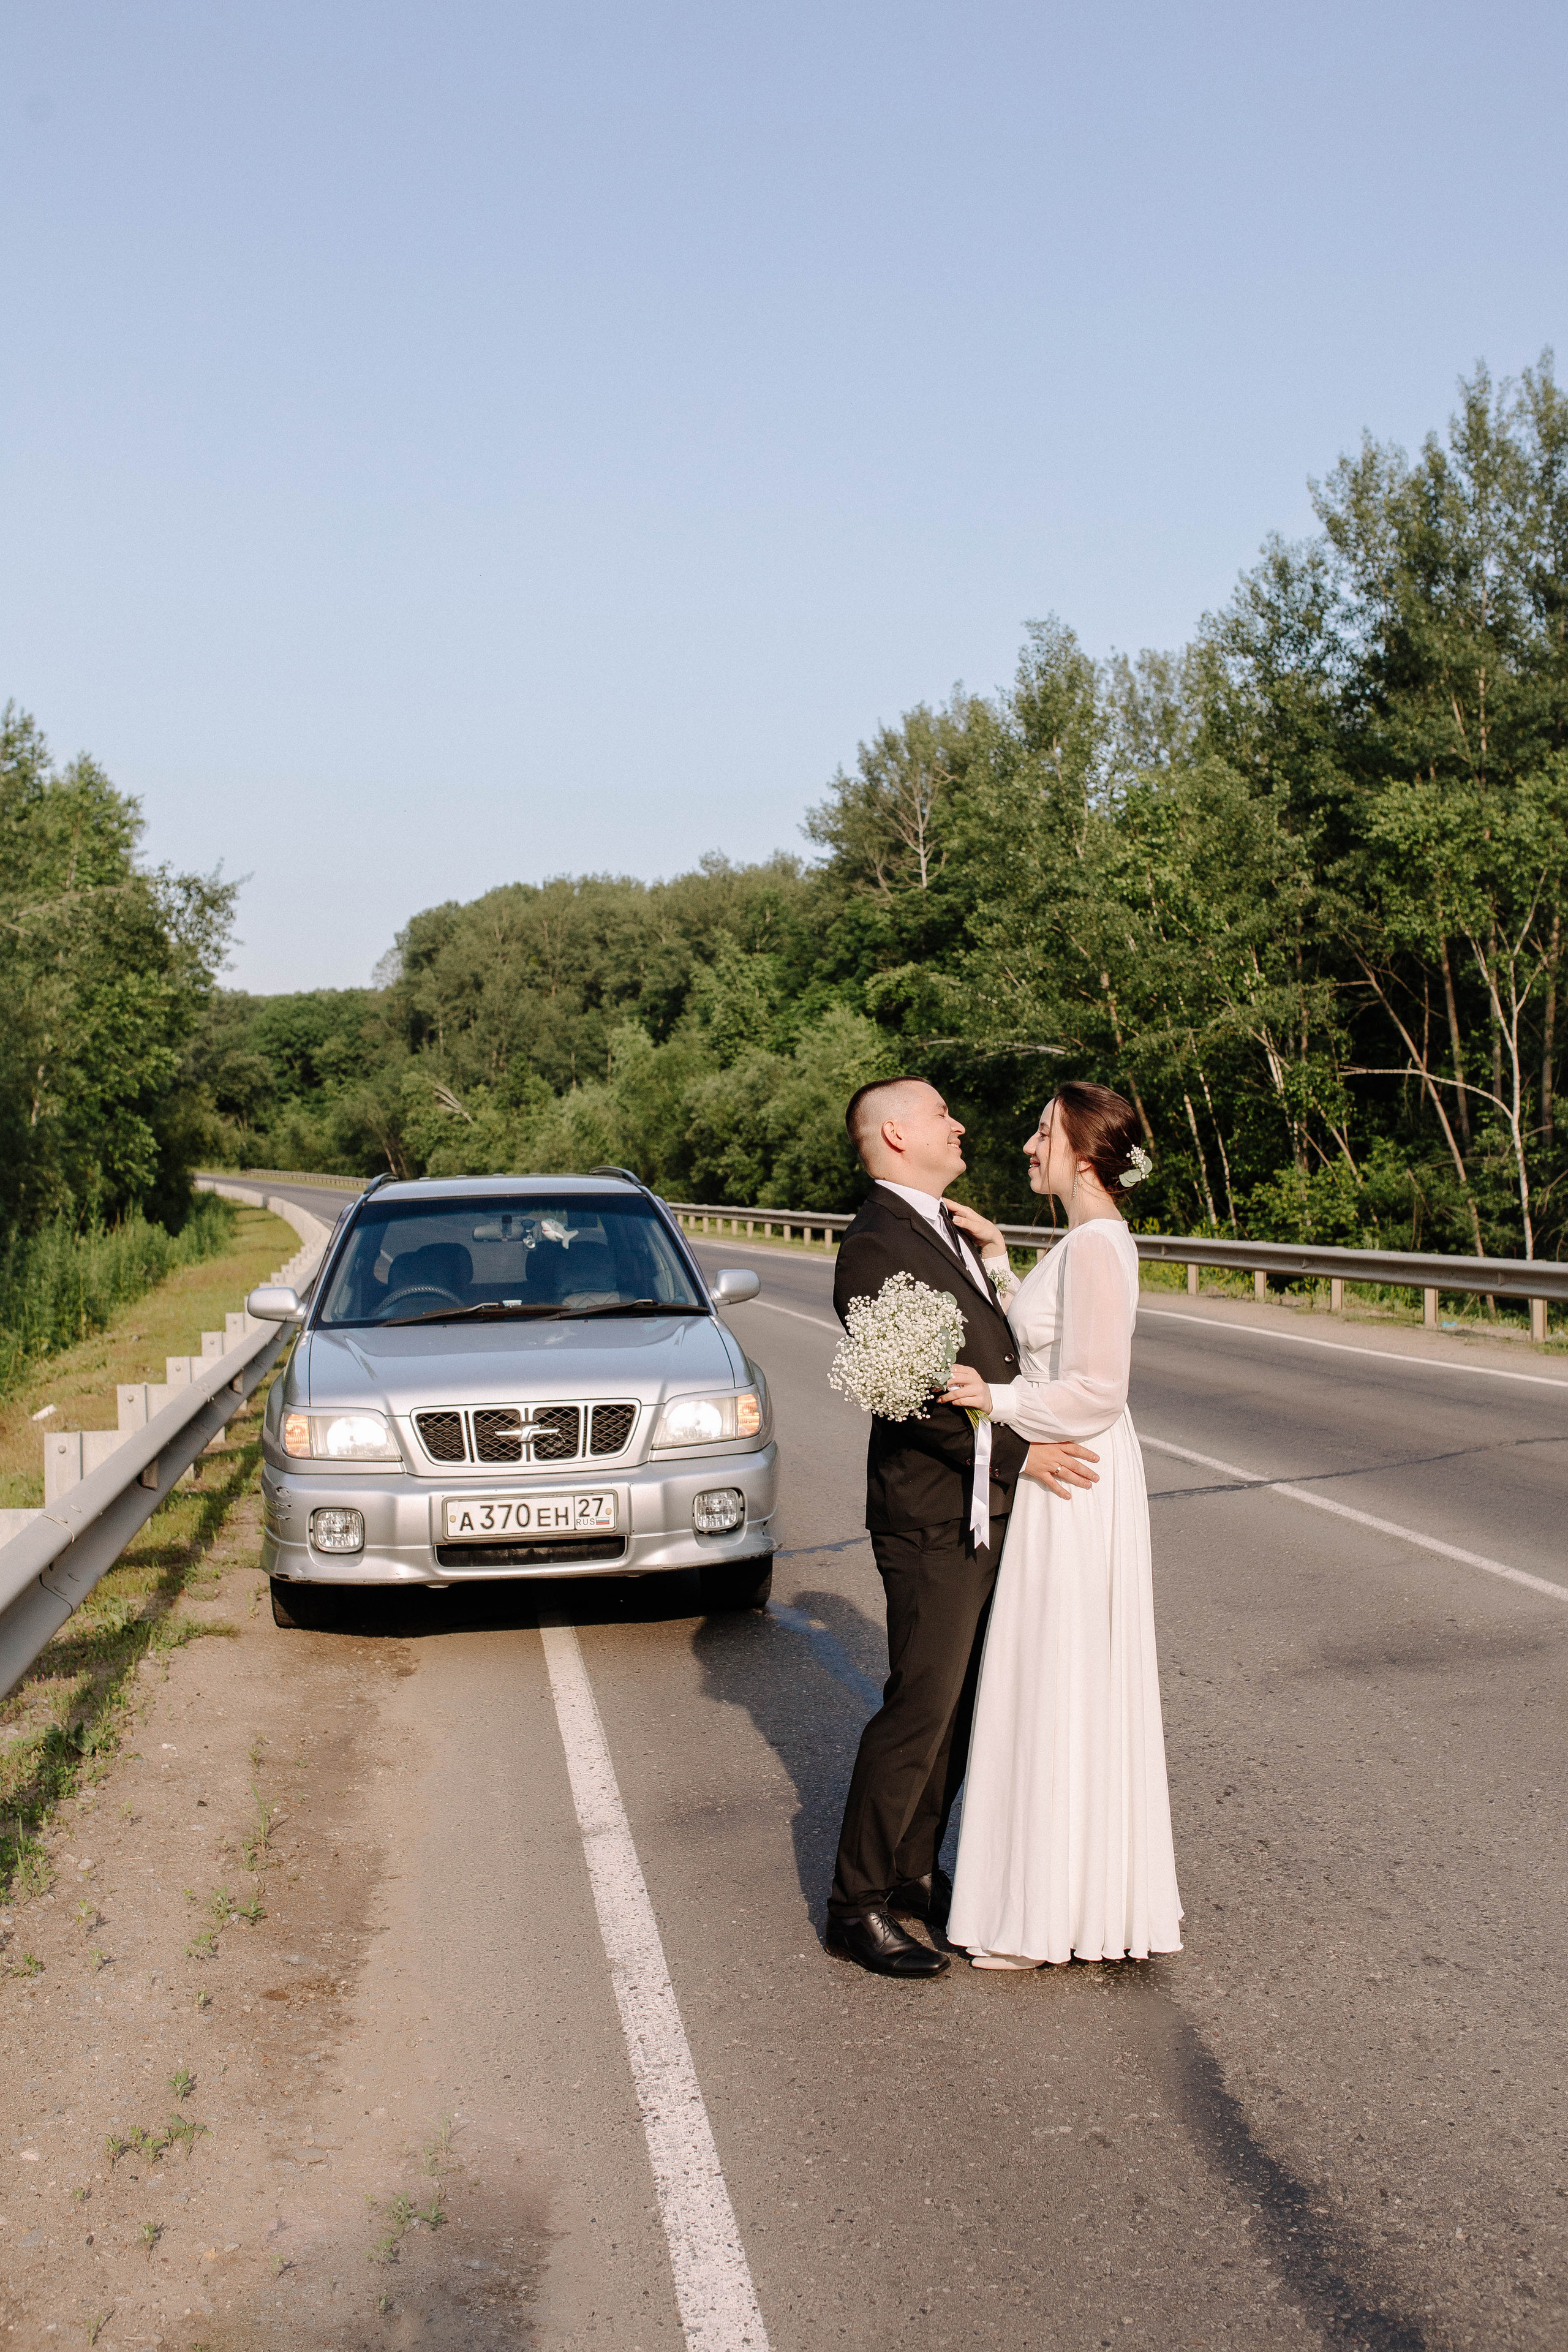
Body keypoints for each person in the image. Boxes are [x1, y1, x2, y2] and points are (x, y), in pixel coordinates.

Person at [825, 1077, 1102, 1979]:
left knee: (960, 1709)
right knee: (920, 1708)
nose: (962, 1124)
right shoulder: (874, 1245)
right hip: (931, 1515)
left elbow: (992, 1351)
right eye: (945, 1114)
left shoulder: (942, 1225)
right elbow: (909, 1392)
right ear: (899, 1135)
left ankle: (914, 1873)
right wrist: (1023, 1456)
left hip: (980, 1511)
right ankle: (855, 1903)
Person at [941, 1082, 1183, 1968]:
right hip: (1067, 1470)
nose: (1027, 1144)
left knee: (1059, 1673)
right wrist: (1002, 1259)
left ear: (1084, 1153)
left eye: (1042, 1131)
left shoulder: (1100, 1249)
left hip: (1076, 1473)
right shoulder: (1082, 1242)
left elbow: (1096, 1389)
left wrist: (993, 1399)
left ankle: (1046, 1915)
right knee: (1059, 1673)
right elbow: (1048, 1338)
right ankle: (1061, 1900)